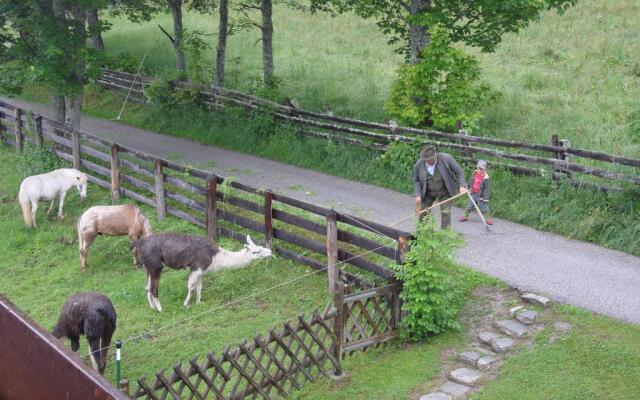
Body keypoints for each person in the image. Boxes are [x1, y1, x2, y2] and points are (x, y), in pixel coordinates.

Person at [413, 145, 466, 229]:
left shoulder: (446, 159)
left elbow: (459, 172)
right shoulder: (419, 164)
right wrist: (418, 195)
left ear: (435, 156)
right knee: (423, 213)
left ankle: (445, 237)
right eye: (425, 160)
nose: (427, 162)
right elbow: (416, 180)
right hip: (428, 192)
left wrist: (462, 185)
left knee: (446, 213)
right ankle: (420, 235)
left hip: (445, 192)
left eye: (429, 160)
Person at [459, 160, 493, 225]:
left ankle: (488, 218)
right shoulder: (474, 173)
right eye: (478, 169)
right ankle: (465, 216)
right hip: (473, 193)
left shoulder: (486, 178)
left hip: (481, 195)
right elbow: (470, 181)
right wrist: (467, 187)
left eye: (482, 169)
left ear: (485, 169)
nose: (480, 171)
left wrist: (485, 198)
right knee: (470, 205)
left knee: (484, 207)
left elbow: (486, 189)